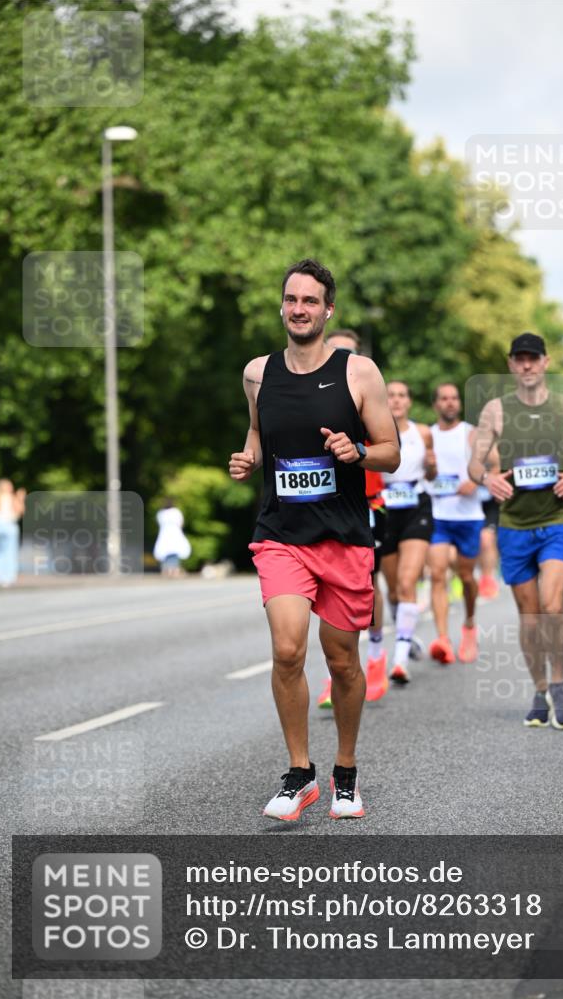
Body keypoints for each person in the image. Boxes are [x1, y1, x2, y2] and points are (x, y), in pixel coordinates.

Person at [229, 260, 399, 821]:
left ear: (329, 310)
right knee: (286, 649)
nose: (299, 308)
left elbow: (390, 452)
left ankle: (344, 771)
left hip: (344, 535)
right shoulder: (259, 373)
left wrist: (357, 452)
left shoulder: (359, 373)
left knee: (344, 661)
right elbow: (258, 430)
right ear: (282, 306)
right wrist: (248, 458)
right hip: (282, 534)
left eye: (310, 300)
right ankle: (300, 773)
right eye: (291, 299)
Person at [468, 332, 563, 730]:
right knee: (528, 614)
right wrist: (488, 479)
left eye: (533, 359)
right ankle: (539, 688)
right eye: (519, 359)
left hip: (557, 520)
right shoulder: (495, 411)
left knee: (552, 604)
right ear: (510, 363)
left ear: (544, 363)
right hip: (515, 526)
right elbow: (474, 465)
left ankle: (559, 683)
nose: (526, 365)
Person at [317, 329, 389, 707]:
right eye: (336, 351)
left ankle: (373, 655)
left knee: (368, 583)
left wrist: (358, 448)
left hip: (364, 505)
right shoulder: (310, 390)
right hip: (318, 509)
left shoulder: (365, 390)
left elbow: (391, 451)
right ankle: (338, 672)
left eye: (348, 354)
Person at [380, 380, 436, 684]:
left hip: (417, 507)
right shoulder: (371, 431)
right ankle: (407, 635)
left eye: (402, 395)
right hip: (385, 508)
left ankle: (400, 659)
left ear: (409, 402)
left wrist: (432, 466)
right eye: (391, 395)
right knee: (392, 590)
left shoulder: (422, 432)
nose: (397, 400)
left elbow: (432, 472)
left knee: (406, 581)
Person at [426, 383, 486, 664]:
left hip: (468, 517)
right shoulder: (429, 435)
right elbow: (422, 470)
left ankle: (470, 623)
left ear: (459, 404)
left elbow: (495, 466)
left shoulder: (471, 433)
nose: (449, 403)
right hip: (439, 515)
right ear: (436, 404)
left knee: (465, 577)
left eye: (454, 399)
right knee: (437, 574)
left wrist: (474, 481)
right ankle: (442, 638)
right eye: (444, 399)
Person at [0, 479, 25, 587]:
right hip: (8, 526)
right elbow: (20, 511)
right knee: (9, 551)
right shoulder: (11, 498)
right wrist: (21, 499)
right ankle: (7, 577)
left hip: (0, 526)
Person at [153, 498, 191, 577]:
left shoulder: (161, 513)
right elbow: (181, 523)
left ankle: (166, 571)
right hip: (175, 534)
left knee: (165, 553)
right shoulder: (176, 512)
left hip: (164, 535)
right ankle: (175, 571)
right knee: (175, 553)